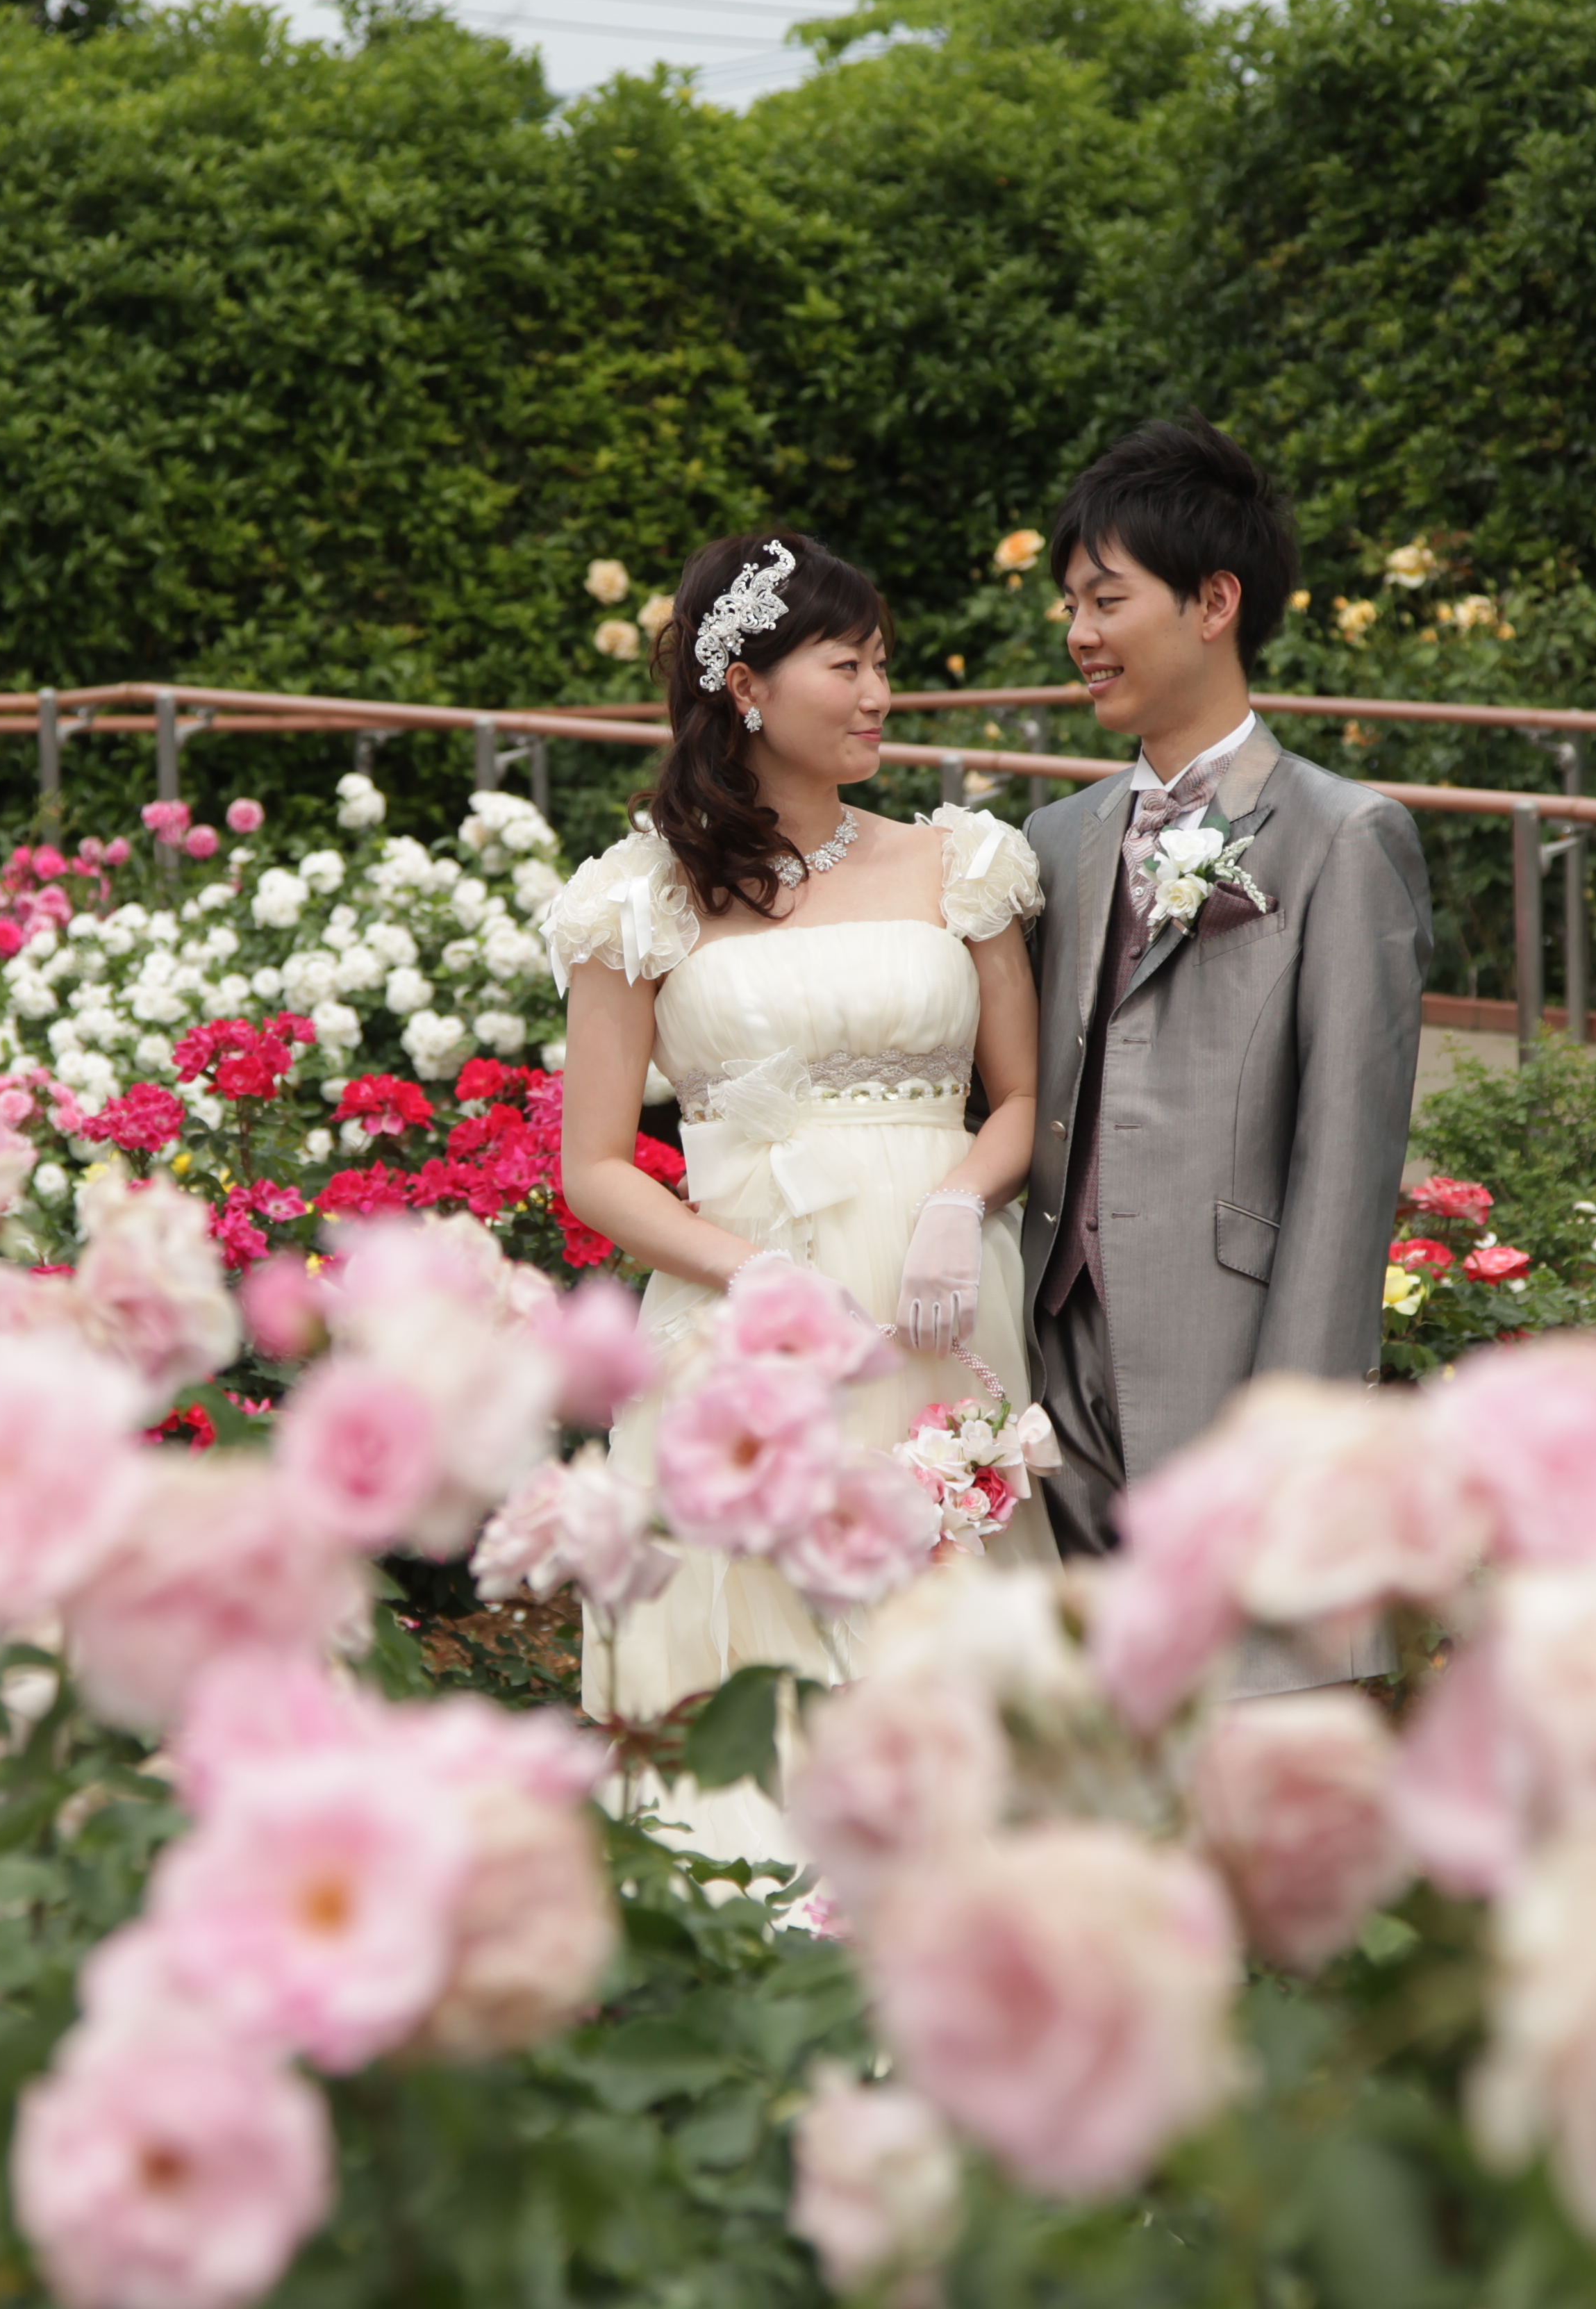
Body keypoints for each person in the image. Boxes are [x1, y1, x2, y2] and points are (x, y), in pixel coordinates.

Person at [547, 528, 1048, 1863]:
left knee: (938, 1623)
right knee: (755, 1627)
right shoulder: (639, 897)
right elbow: (591, 1164)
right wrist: (753, 1277)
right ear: (748, 687)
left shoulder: (963, 863)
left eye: (884, 663)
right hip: (742, 1318)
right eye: (849, 663)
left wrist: (959, 1202)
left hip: (938, 1310)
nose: (880, 692)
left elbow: (1022, 1098)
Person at [1020, 420, 1432, 1687]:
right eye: (1070, 605)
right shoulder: (1057, 835)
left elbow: (1347, 1162)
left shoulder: (1342, 835)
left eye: (1107, 599)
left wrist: (1296, 1440)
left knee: (1245, 1750)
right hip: (1055, 1351)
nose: (1081, 634)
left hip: (1228, 1352)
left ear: (1214, 602)